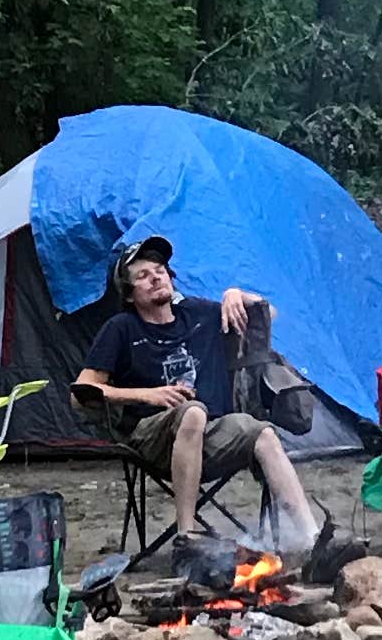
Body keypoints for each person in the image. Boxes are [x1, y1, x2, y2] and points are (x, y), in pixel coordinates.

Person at [76, 237, 328, 556]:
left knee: (262, 433)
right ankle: (187, 537)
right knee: (193, 411)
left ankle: (312, 538)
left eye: (160, 270)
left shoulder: (198, 314)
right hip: (152, 440)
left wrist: (236, 294)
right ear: (129, 294)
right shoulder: (122, 328)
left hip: (211, 435)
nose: (155, 277)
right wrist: (147, 395)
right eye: (142, 276)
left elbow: (270, 314)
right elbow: (82, 392)